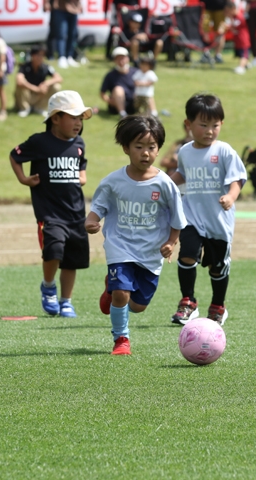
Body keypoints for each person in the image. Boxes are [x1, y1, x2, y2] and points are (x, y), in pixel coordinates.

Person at [85, 115, 186, 355]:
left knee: (138, 306)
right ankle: (121, 340)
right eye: (138, 147)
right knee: (122, 293)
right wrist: (91, 221)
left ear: (158, 148)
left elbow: (177, 219)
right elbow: (97, 208)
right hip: (120, 247)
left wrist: (172, 242)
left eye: (151, 147)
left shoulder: (165, 184)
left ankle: (111, 292)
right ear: (126, 148)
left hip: (151, 253)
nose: (145, 153)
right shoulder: (113, 181)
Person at [9, 91, 92, 318]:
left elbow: (81, 167)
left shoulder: (79, 143)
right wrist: (23, 179)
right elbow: (15, 156)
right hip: (49, 212)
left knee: (72, 259)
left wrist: (81, 176)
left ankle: (66, 301)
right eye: (73, 117)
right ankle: (48, 286)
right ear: (55, 118)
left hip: (76, 212)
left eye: (81, 118)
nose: (78, 123)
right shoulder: (40, 142)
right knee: (54, 249)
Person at [169, 93, 247, 326]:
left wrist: (231, 197)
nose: (210, 130)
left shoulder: (224, 151)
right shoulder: (185, 151)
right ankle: (188, 302)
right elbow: (182, 174)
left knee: (217, 267)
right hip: (191, 215)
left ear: (221, 124)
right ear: (189, 124)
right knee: (187, 254)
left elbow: (237, 179)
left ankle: (218, 306)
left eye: (215, 125)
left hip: (218, 221)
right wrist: (166, 184)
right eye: (203, 125)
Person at [15, 44, 63, 118]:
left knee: (56, 86)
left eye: (42, 55)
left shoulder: (46, 67)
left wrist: (46, 83)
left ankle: (39, 108)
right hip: (27, 94)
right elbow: (19, 81)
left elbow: (59, 78)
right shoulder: (24, 67)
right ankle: (24, 108)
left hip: (40, 95)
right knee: (21, 86)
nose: (40, 58)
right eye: (37, 55)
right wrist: (35, 89)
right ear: (32, 55)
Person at [100, 47, 138, 118]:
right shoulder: (110, 75)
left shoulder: (136, 72)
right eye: (118, 58)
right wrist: (109, 100)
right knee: (118, 89)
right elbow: (102, 93)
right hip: (116, 105)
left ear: (128, 58)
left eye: (123, 58)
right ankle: (122, 114)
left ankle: (153, 113)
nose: (121, 61)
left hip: (133, 102)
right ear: (114, 60)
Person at [45, 0, 81, 69]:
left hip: (74, 8)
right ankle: (61, 57)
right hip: (60, 8)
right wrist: (47, 2)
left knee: (72, 34)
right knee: (61, 34)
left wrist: (80, 5)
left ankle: (69, 56)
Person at [224, 1, 250, 75]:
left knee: (244, 55)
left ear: (233, 9)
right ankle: (246, 64)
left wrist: (228, 25)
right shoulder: (234, 17)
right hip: (238, 40)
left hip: (243, 40)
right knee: (240, 54)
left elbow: (236, 27)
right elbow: (233, 29)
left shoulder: (240, 17)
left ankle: (241, 67)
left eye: (228, 11)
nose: (227, 12)